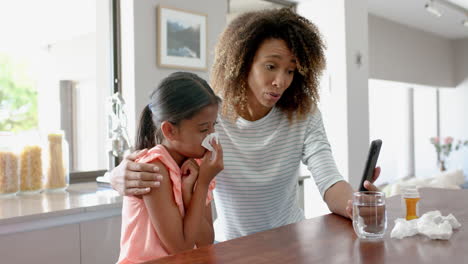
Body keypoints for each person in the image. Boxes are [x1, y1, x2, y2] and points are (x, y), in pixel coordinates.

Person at [110, 8, 381, 242]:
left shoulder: (303, 113)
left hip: (291, 240)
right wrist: (118, 176)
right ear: (243, 63)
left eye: (290, 70)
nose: (281, 82)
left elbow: (329, 179)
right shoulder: (210, 119)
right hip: (231, 246)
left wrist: (354, 204)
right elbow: (165, 156)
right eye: (271, 66)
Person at [117, 72, 223, 263]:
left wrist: (190, 193)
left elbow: (205, 241)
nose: (212, 136)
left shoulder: (198, 165)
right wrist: (202, 183)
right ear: (170, 130)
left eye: (213, 125)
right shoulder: (153, 169)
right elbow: (180, 247)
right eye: (203, 129)